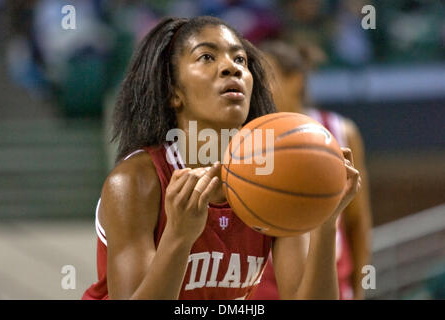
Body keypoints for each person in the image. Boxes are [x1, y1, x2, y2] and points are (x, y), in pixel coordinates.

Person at [82, 16, 361, 300]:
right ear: (173, 92)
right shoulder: (135, 182)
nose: (232, 67)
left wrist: (326, 222)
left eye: (240, 59)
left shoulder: (274, 177)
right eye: (206, 56)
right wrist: (178, 239)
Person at [252, 40, 372, 300]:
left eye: (265, 78)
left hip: (331, 277)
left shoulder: (340, 130)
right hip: (262, 285)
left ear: (295, 80)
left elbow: (358, 221)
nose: (256, 87)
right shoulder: (246, 139)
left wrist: (360, 288)